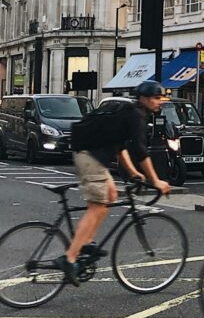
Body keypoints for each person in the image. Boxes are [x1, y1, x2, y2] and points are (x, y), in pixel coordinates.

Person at [54, 80, 172, 286]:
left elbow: (120, 146)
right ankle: (70, 258)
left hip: (90, 153)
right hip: (90, 156)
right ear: (143, 99)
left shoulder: (129, 112)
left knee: (110, 195)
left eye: (160, 98)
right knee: (97, 209)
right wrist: (156, 181)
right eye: (155, 98)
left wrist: (134, 172)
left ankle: (86, 243)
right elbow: (140, 152)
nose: (158, 102)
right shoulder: (136, 116)